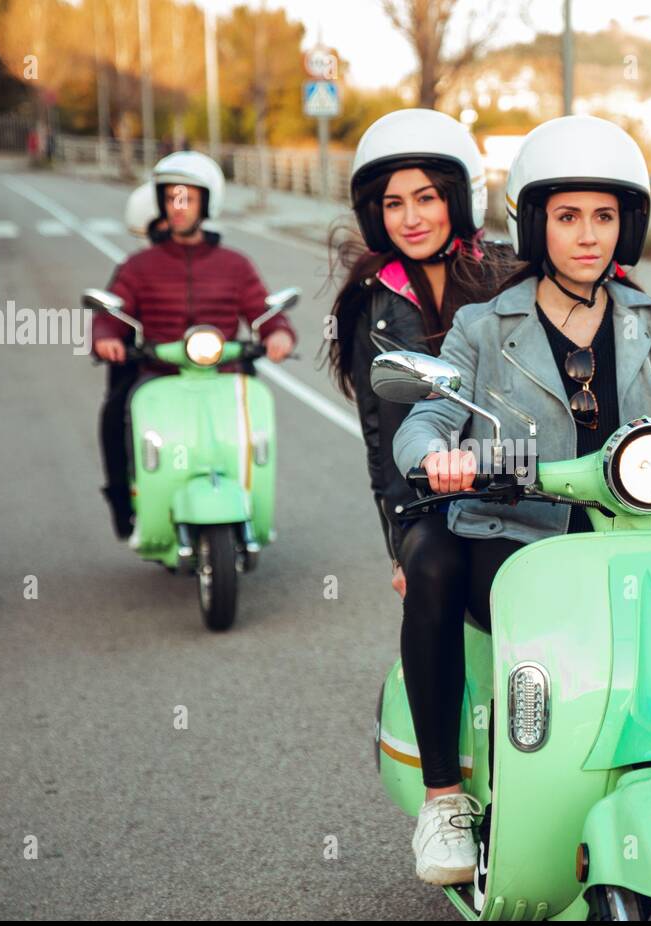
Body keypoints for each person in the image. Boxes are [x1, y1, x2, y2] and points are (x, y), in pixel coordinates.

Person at [391, 115, 651, 894]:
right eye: (568, 215)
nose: (589, 235)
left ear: (629, 224)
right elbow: (427, 417)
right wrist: (435, 456)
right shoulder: (484, 327)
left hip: (644, 524)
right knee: (432, 560)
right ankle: (446, 797)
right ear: (535, 222)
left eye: (605, 215)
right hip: (519, 534)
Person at [325, 108, 515, 885]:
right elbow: (384, 434)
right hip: (430, 499)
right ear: (375, 211)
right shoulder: (376, 299)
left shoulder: (507, 272)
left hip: (527, 482)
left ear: (457, 199)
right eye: (395, 203)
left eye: (428, 198)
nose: (411, 217)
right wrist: (400, 540)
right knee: (436, 571)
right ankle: (444, 797)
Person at [93, 151, 297, 539]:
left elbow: (262, 309)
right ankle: (126, 503)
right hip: (159, 373)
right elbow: (112, 313)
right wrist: (105, 338)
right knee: (116, 414)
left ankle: (253, 502)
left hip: (224, 373)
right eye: (171, 198)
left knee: (253, 431)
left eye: (188, 197)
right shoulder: (138, 266)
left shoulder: (234, 264)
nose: (179, 207)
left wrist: (278, 332)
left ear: (207, 203)